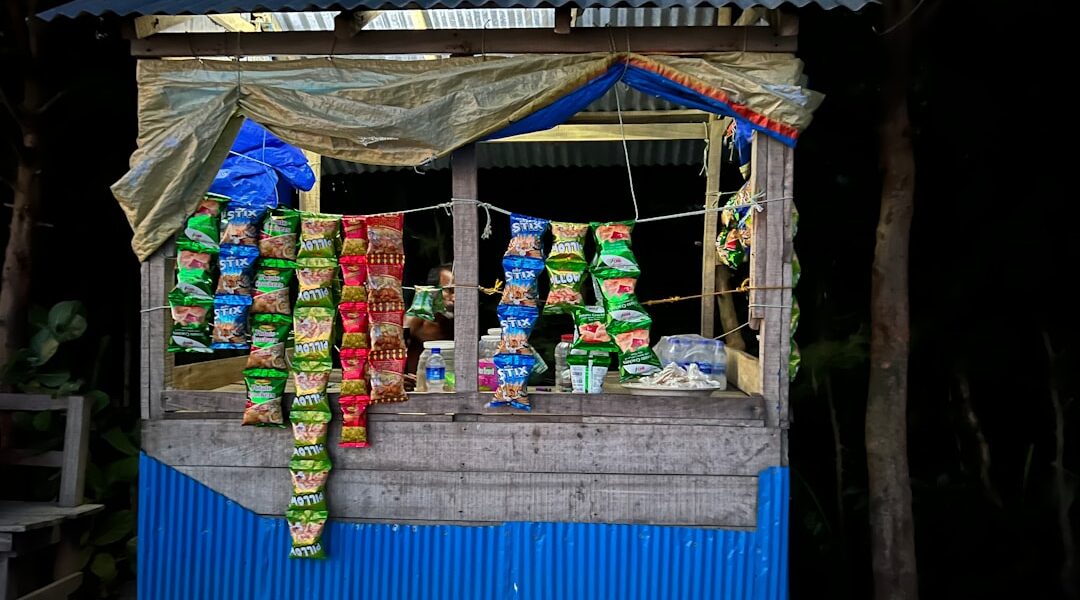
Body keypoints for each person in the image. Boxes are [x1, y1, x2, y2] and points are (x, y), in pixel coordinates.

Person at [405, 264, 455, 380]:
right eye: (449, 290)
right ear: (433, 291)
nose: (454, 297)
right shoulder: (415, 321)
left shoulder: (461, 322)